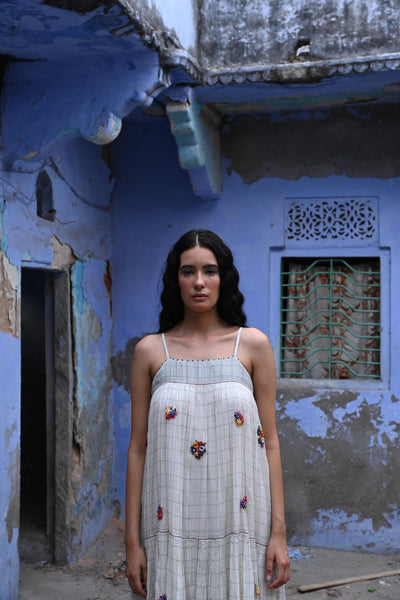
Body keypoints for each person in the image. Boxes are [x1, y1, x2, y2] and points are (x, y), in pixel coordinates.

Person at [125, 229, 290, 599]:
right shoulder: (151, 352)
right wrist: (131, 542)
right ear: (175, 279)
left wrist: (278, 532)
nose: (199, 282)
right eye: (188, 271)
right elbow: (137, 448)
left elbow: (272, 443)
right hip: (170, 524)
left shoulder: (252, 345)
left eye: (209, 271)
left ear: (223, 278)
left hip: (242, 522)